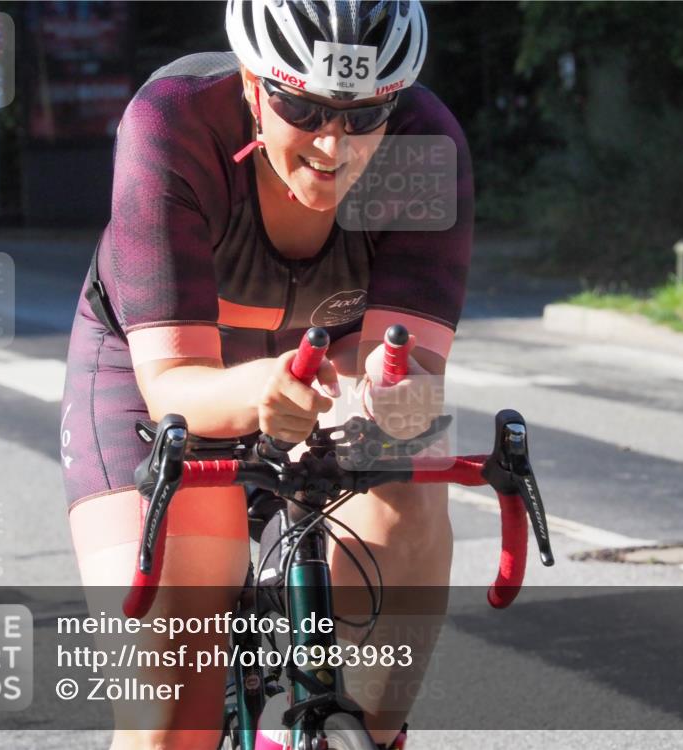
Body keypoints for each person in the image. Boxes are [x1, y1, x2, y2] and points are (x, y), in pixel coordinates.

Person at [59, 1, 473, 748]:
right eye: (302, 106)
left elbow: (404, 367)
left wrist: (388, 394)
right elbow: (175, 381)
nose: (333, 143)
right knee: (169, 714)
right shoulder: (173, 125)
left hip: (322, 374)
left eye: (366, 112)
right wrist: (263, 390)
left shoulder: (423, 144)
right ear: (253, 83)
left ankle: (368, 735)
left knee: (409, 479)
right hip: (160, 378)